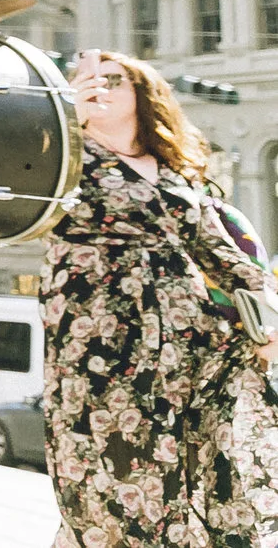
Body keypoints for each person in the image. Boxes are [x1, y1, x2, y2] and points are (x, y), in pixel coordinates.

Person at [43, 49, 278, 546]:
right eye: (85, 81)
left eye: (113, 80)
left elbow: (219, 250)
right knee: (115, 469)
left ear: (143, 95)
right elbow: (20, 210)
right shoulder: (57, 155)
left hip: (189, 345)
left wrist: (269, 317)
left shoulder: (173, 171)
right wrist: (66, 120)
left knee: (196, 470)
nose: (98, 88)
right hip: (101, 346)